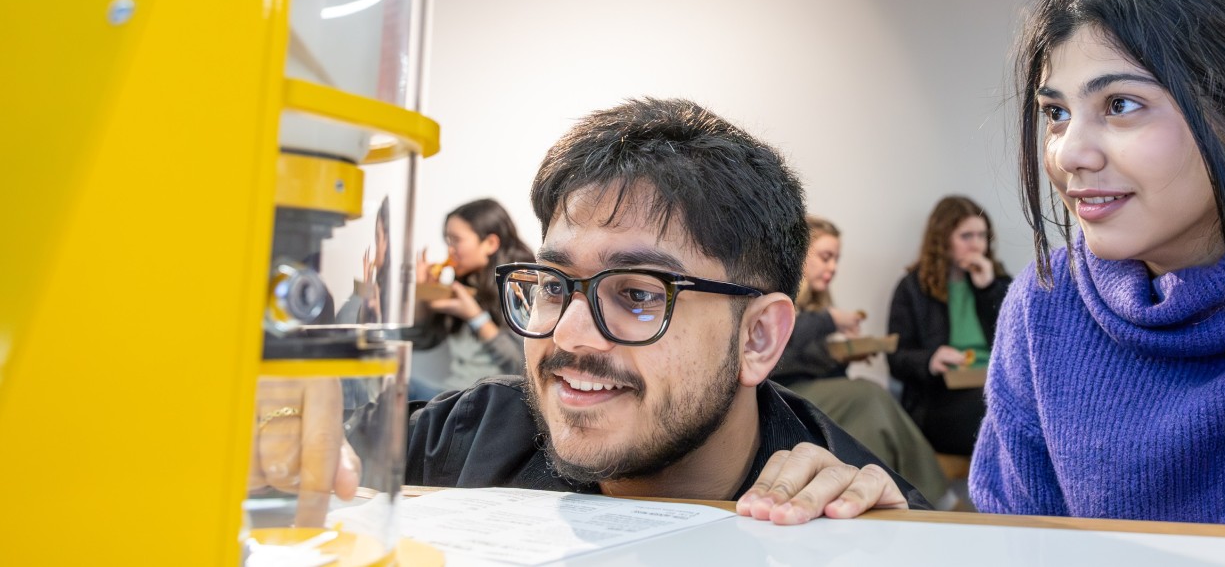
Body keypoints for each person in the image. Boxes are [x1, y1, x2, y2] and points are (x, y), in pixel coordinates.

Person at [252, 98, 926, 526]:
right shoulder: (470, 437)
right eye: (552, 284)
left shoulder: (842, 512)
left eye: (637, 294)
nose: (567, 335)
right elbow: (313, 470)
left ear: (758, 337)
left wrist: (902, 545)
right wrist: (275, 436)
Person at [970, 0, 1225, 523]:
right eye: (1056, 113)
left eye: (1120, 105)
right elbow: (1015, 539)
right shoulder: (1045, 305)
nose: (1069, 153)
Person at [771, 216, 950, 504]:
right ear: (800, 255)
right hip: (781, 395)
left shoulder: (817, 305)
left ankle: (891, 498)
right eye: (825, 257)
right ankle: (930, 498)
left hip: (815, 393)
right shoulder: (783, 301)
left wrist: (847, 353)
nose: (833, 268)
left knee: (870, 414)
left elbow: (818, 366)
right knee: (868, 395)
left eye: (836, 260)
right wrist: (830, 320)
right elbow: (783, 353)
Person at [887, 195, 1011, 457]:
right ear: (942, 239)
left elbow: (1017, 343)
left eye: (982, 235)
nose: (977, 245)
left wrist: (989, 289)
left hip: (994, 385)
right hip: (941, 397)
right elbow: (896, 358)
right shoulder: (912, 288)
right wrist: (931, 360)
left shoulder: (997, 281)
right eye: (966, 236)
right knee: (992, 414)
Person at [407, 199, 534, 400]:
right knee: (390, 383)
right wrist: (424, 294)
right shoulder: (466, 285)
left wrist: (475, 317)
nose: (450, 250)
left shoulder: (522, 287)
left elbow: (522, 365)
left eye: (456, 240)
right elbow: (420, 340)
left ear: (490, 243)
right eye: (447, 241)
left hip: (487, 402)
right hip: (451, 395)